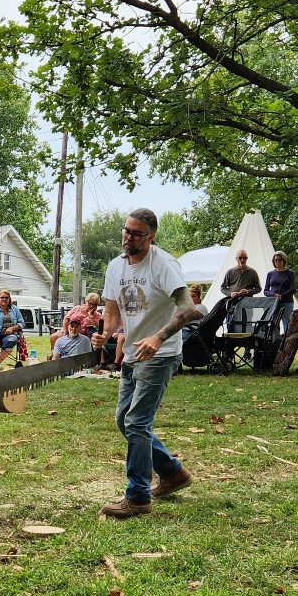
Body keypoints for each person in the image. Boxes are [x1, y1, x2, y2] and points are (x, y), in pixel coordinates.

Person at [92, 208, 197, 519]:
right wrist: (105, 334)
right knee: (124, 421)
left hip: (160, 354)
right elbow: (112, 311)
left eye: (136, 233)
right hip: (133, 352)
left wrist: (158, 338)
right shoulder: (115, 267)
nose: (128, 237)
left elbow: (187, 308)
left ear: (151, 237)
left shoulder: (163, 264)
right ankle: (173, 473)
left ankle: (137, 497)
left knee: (137, 423)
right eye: (126, 230)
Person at [263, 250, 297, 335]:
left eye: (279, 260)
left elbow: (293, 289)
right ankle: (275, 341)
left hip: (287, 302)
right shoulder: (270, 274)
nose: (277, 262)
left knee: (287, 324)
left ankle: (286, 342)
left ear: (284, 261)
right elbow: (265, 291)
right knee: (273, 324)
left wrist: (282, 295)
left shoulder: (290, 273)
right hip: (274, 302)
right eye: (275, 260)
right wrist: (273, 294)